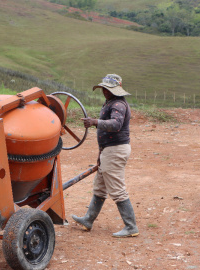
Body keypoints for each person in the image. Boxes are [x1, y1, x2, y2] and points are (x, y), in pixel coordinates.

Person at [72, 74, 139, 238]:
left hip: (115, 151)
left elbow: (116, 124)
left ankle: (131, 227)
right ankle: (88, 219)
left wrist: (95, 122)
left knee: (117, 189)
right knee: (100, 187)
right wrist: (101, 154)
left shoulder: (118, 105)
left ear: (115, 89)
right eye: (103, 88)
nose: (104, 91)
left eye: (107, 89)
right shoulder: (111, 102)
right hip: (108, 150)